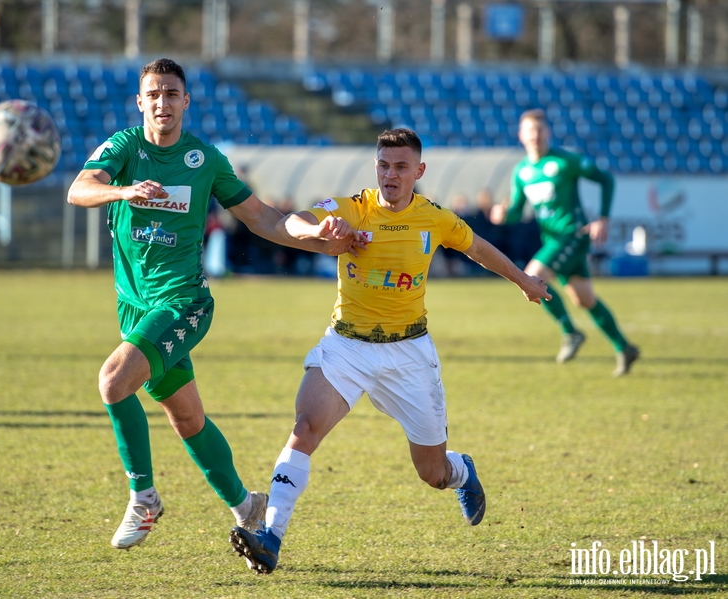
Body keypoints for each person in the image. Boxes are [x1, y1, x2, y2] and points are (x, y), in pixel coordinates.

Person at [67, 58, 358, 553]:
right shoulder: (122, 148)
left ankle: (143, 497)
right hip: (135, 309)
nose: (162, 102)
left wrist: (314, 232)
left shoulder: (205, 159)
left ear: (186, 101)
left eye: (171, 94)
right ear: (140, 102)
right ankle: (247, 506)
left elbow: (264, 218)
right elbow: (79, 189)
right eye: (153, 94)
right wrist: (125, 189)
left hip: (185, 303)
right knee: (187, 419)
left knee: (114, 382)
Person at [228, 128, 551, 574]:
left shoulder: (434, 218)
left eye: (401, 167)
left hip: (409, 354)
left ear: (418, 171)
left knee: (431, 472)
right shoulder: (352, 209)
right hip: (347, 346)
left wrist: (524, 281)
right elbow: (295, 219)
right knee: (305, 427)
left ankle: (461, 470)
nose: (390, 174)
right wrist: (321, 229)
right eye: (383, 165)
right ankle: (271, 536)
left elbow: (477, 248)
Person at [490, 109, 640, 377]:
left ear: (547, 133)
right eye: (529, 131)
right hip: (553, 239)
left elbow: (605, 178)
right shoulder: (522, 171)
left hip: (573, 235)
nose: (535, 136)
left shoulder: (565, 160)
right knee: (584, 299)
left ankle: (570, 333)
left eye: (539, 130)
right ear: (521, 136)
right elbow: (517, 211)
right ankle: (624, 347)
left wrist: (603, 218)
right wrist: (503, 214)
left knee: (532, 277)